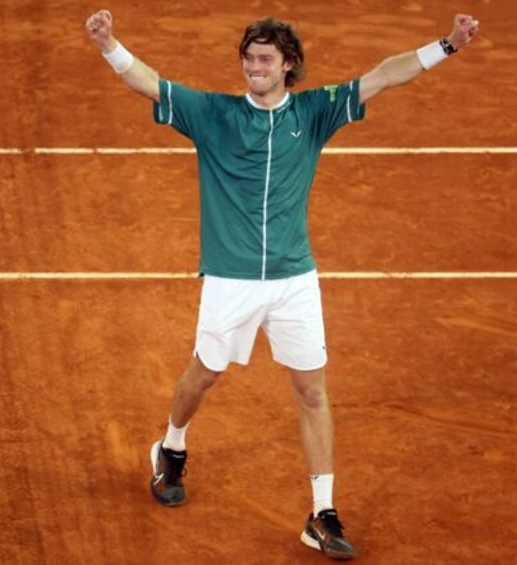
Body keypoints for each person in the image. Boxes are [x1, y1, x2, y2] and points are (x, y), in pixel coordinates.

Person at [85, 8, 478, 560]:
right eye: (249, 59)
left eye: (265, 59)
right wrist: (109, 45)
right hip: (231, 277)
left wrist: (448, 45)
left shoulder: (315, 113)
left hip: (295, 278)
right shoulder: (213, 113)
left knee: (312, 390)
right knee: (204, 375)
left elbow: (385, 74)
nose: (254, 68)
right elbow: (148, 82)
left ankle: (322, 512)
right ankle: (171, 446)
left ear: (288, 65)